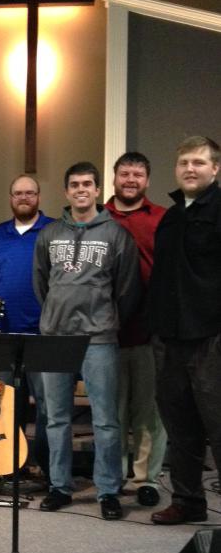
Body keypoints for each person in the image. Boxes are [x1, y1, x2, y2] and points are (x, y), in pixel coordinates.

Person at [34, 161, 140, 520]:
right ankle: (59, 486)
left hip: (99, 338)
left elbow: (126, 289)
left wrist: (105, 318)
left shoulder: (116, 234)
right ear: (66, 192)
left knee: (106, 420)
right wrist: (55, 314)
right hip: (55, 337)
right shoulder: (49, 234)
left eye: (87, 184)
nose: (81, 189)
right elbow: (41, 284)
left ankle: (108, 490)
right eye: (74, 184)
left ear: (97, 190)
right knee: (56, 418)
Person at [149, 136, 221, 525]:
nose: (190, 169)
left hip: (211, 339)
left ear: (215, 169)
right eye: (184, 163)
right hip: (170, 338)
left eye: (198, 162)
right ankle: (188, 501)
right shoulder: (172, 216)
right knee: (180, 427)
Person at [0, 175, 53, 477]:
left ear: (38, 196)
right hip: (3, 336)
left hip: (42, 334)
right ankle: (10, 465)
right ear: (10, 197)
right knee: (3, 404)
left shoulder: (51, 230)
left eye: (30, 193)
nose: (24, 198)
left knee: (49, 408)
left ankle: (48, 469)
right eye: (18, 193)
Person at [105, 152, 167, 507]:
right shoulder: (97, 217)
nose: (131, 179)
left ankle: (146, 479)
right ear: (114, 178)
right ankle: (112, 477)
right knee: (110, 414)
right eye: (125, 173)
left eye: (138, 174)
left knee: (147, 414)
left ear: (147, 180)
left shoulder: (161, 218)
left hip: (147, 331)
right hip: (105, 335)